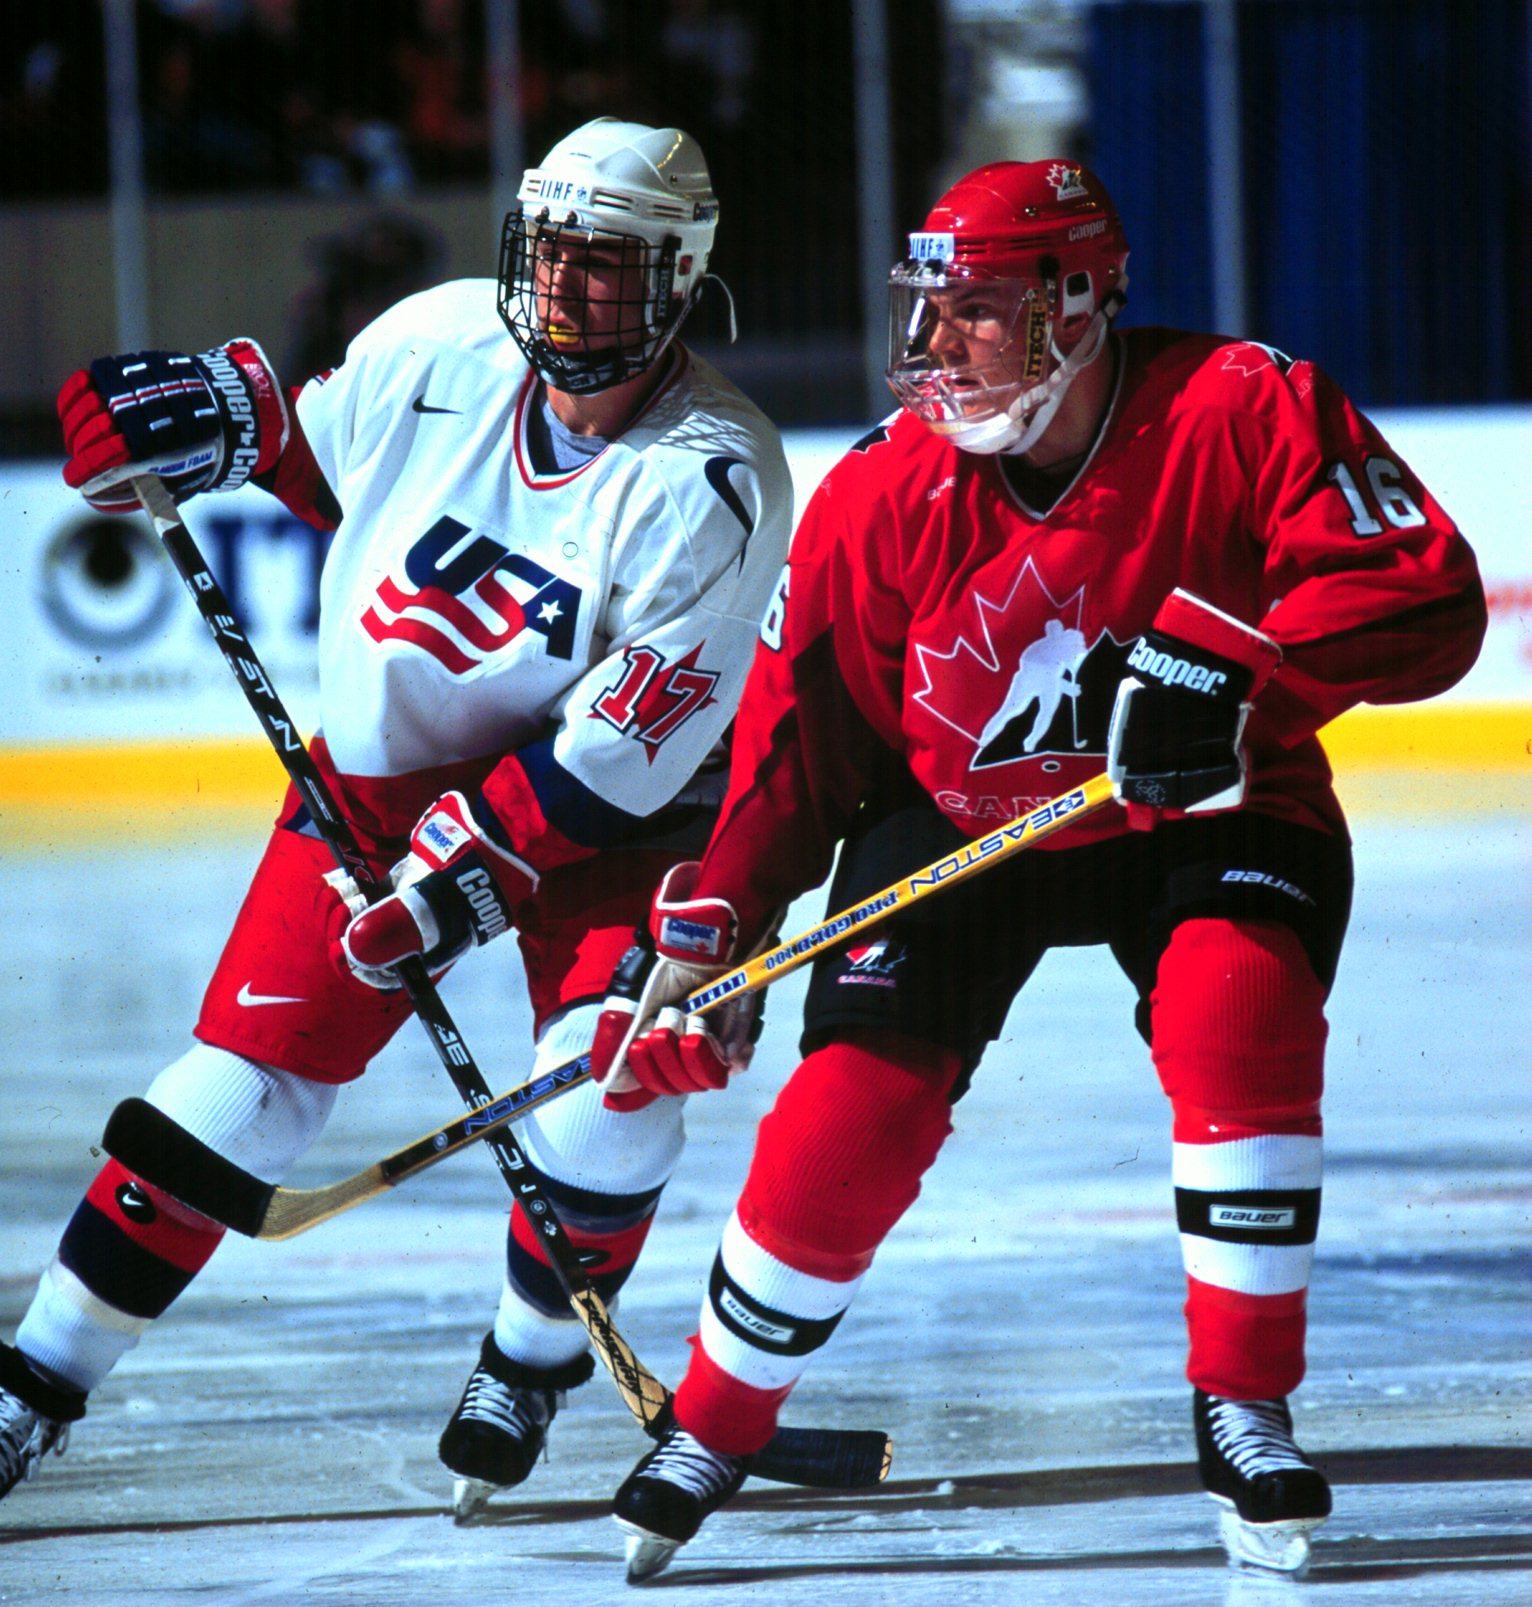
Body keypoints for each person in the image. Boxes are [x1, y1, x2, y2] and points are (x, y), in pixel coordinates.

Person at [587, 159, 1487, 1581]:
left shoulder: (1243, 405)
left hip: (1206, 804)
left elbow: (1427, 595)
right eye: (926, 310)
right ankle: (709, 1426)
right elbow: (799, 747)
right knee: (849, 1114)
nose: (936, 347)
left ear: (1081, 299)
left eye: (978, 313)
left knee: (1234, 1014)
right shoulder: (881, 494)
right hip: (966, 821)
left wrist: (1249, 669)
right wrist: (712, 929)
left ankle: (1245, 1404)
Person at [0, 117, 791, 1521]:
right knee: (236, 1092)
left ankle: (527, 1359)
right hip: (376, 785)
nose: (561, 294)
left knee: (604, 1096)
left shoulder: (715, 475)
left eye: (602, 269)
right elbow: (321, 465)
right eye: (547, 257)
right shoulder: (439, 343)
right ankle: (31, 1387)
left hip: (618, 818)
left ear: (678, 279)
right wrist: (213, 425)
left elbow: (612, 757)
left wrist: (453, 879)